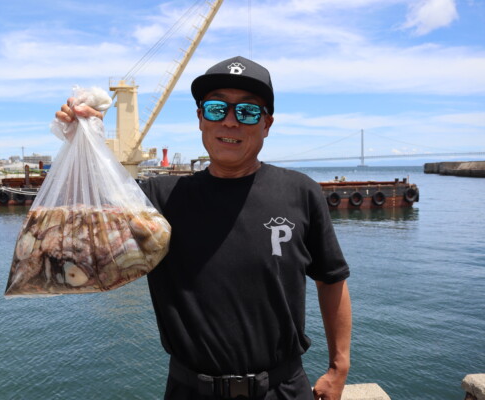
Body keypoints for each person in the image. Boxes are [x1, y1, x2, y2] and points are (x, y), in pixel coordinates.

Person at [57, 56, 352, 400]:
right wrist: (83, 138)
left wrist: (338, 367)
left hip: (283, 389)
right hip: (190, 390)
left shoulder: (301, 193)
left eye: (247, 112)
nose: (230, 122)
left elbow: (331, 279)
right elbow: (83, 232)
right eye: (216, 109)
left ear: (267, 124)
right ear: (200, 118)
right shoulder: (155, 199)